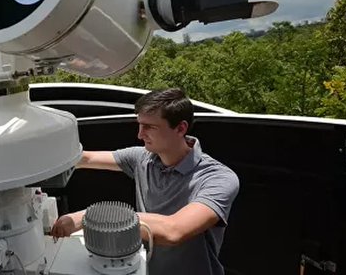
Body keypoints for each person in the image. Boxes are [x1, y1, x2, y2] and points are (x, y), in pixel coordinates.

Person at [51, 88, 239, 275]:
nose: (140, 135)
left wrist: (89, 218)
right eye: (140, 125)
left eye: (150, 127)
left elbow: (174, 230)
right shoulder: (142, 158)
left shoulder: (218, 178)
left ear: (180, 128)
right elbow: (85, 159)